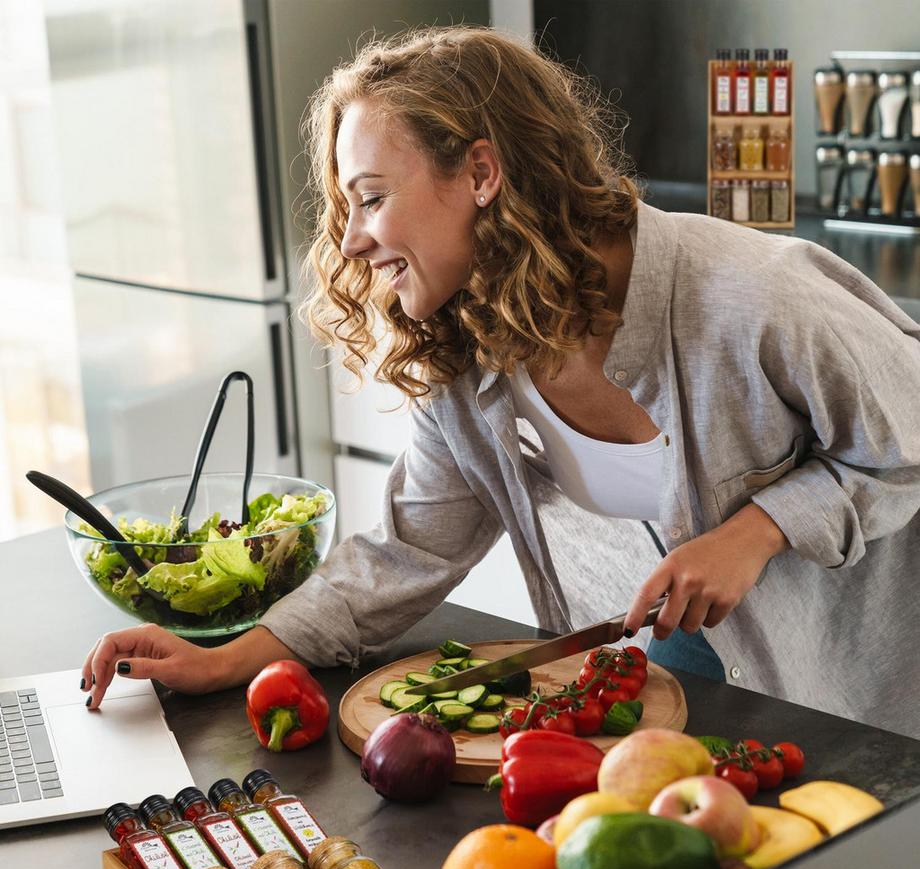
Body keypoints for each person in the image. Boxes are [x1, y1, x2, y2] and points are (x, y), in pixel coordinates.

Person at [82, 27, 920, 738]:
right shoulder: (467, 347)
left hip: (864, 708)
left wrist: (758, 531)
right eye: (345, 209)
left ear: (481, 174)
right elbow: (413, 547)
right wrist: (229, 656)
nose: (351, 244)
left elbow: (908, 441)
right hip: (681, 691)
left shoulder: (753, 297)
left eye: (370, 199)